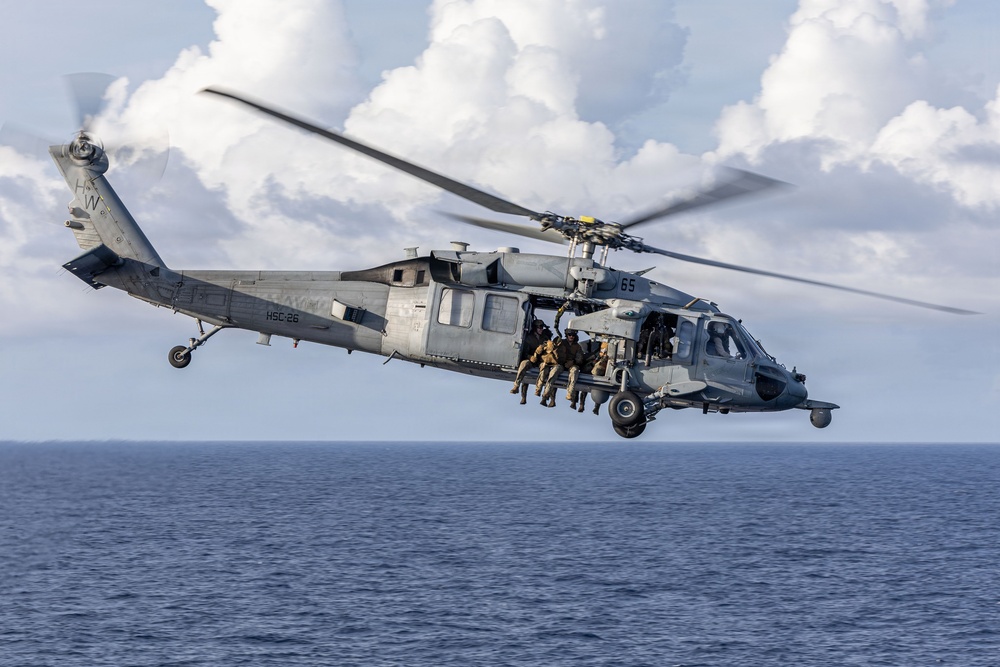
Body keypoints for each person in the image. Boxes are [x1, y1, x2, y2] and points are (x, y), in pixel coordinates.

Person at [509, 319, 550, 404]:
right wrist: (530, 357)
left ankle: (538, 389)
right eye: (539, 327)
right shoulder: (529, 338)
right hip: (531, 360)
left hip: (541, 360)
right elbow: (524, 353)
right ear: (535, 328)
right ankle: (517, 386)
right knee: (524, 364)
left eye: (542, 327)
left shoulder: (545, 338)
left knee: (545, 367)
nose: (541, 329)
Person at [569, 339, 608, 413]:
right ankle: (577, 402)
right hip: (590, 364)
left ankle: (595, 407)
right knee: (579, 380)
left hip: (600, 366)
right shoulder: (592, 344)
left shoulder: (607, 345)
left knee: (598, 385)